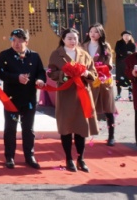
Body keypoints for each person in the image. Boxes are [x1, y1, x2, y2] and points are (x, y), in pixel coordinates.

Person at [48, 28, 98, 173]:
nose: (72, 41)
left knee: (81, 128)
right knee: (67, 127)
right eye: (69, 38)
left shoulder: (84, 54)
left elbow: (93, 73)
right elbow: (51, 72)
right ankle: (69, 158)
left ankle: (81, 159)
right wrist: (65, 75)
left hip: (82, 94)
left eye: (75, 38)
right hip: (66, 94)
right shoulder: (56, 54)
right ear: (63, 39)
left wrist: (86, 73)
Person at [0, 28, 46, 169]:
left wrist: (40, 80)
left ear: (26, 41)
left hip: (29, 97)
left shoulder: (34, 56)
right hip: (11, 98)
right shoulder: (5, 55)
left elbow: (41, 72)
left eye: (20, 40)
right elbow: (0, 73)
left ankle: (29, 156)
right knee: (10, 128)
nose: (16, 43)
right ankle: (9, 156)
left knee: (28, 128)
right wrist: (16, 77)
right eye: (13, 40)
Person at [83, 24, 117, 146]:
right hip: (88, 79)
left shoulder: (105, 46)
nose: (93, 34)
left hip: (103, 80)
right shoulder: (83, 46)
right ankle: (83, 133)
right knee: (86, 107)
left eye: (96, 32)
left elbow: (109, 64)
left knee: (108, 108)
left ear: (101, 34)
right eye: (91, 31)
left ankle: (111, 136)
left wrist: (100, 69)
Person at [114, 31, 136, 101]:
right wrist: (126, 53)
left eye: (127, 35)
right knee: (119, 80)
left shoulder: (132, 44)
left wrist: (126, 54)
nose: (126, 37)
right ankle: (118, 94)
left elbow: (133, 53)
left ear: (130, 37)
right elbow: (117, 51)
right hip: (120, 64)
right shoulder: (119, 43)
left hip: (129, 65)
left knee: (129, 79)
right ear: (122, 36)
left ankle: (130, 95)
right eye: (124, 35)